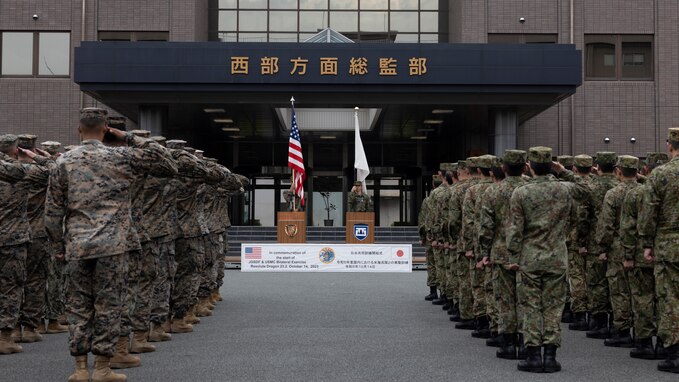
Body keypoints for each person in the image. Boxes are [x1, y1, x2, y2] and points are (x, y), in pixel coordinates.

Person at [44, 107, 178, 382]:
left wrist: (58, 245)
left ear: (78, 129)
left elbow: (52, 212)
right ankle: (103, 368)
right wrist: (128, 137)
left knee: (78, 306)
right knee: (109, 305)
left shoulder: (63, 162)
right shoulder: (120, 157)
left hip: (78, 245)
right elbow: (167, 163)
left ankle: (80, 369)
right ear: (106, 129)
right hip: (113, 245)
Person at [506, 146, 576, 373]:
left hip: (530, 258)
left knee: (531, 306)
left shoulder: (521, 193)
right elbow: (584, 195)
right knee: (554, 307)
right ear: (552, 165)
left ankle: (533, 355)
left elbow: (515, 229)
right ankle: (551, 356)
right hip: (557, 256)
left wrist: (513, 255)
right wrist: (564, 172)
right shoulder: (564, 189)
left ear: (530, 166)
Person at [478, 150, 527, 360]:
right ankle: (527, 343)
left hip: (501, 251)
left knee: (505, 300)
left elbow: (486, 226)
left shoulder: (493, 192)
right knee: (526, 299)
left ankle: (508, 344)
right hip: (527, 252)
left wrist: (484, 252)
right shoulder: (530, 189)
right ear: (525, 167)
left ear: (504, 168)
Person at [620, 152, 669, 360]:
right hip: (666, 251)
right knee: (666, 298)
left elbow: (629, 227)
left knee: (642, 298)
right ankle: (667, 342)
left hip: (642, 252)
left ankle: (645, 342)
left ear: (646, 170)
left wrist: (628, 254)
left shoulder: (635, 193)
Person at [638, 127, 679, 374]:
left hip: (669, 245)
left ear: (670, 145)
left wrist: (647, 243)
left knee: (670, 299)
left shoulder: (661, 174)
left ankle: (674, 351)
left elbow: (648, 213)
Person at [14, 134, 57, 343]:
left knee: (10, 282)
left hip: (9, 235)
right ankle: (30, 327)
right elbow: (56, 169)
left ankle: (9, 328)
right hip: (37, 233)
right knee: (35, 281)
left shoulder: (6, 170)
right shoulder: (39, 172)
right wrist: (43, 157)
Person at [595, 155, 641, 348]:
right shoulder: (644, 191)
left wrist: (602, 247)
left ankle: (622, 331)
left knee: (619, 290)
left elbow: (606, 225)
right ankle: (642, 333)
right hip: (640, 247)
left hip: (617, 247)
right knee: (641, 291)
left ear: (619, 172)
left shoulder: (613, 194)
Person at [0, 134, 30, 355]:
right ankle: (4, 338)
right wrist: (33, 156)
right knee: (11, 287)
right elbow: (49, 169)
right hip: (12, 239)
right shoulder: (21, 172)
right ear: (15, 150)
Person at [585, 152, 620, 339]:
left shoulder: (591, 187)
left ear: (597, 167)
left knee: (597, 283)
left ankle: (599, 322)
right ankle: (617, 321)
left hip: (595, 240)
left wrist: (582, 241)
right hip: (619, 241)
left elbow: (583, 216)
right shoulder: (621, 186)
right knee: (616, 284)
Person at [462, 155, 495, 339]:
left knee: (479, 284)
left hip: (480, 244)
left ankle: (482, 322)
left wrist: (469, 245)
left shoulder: (473, 191)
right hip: (508, 248)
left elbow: (468, 222)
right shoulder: (509, 188)